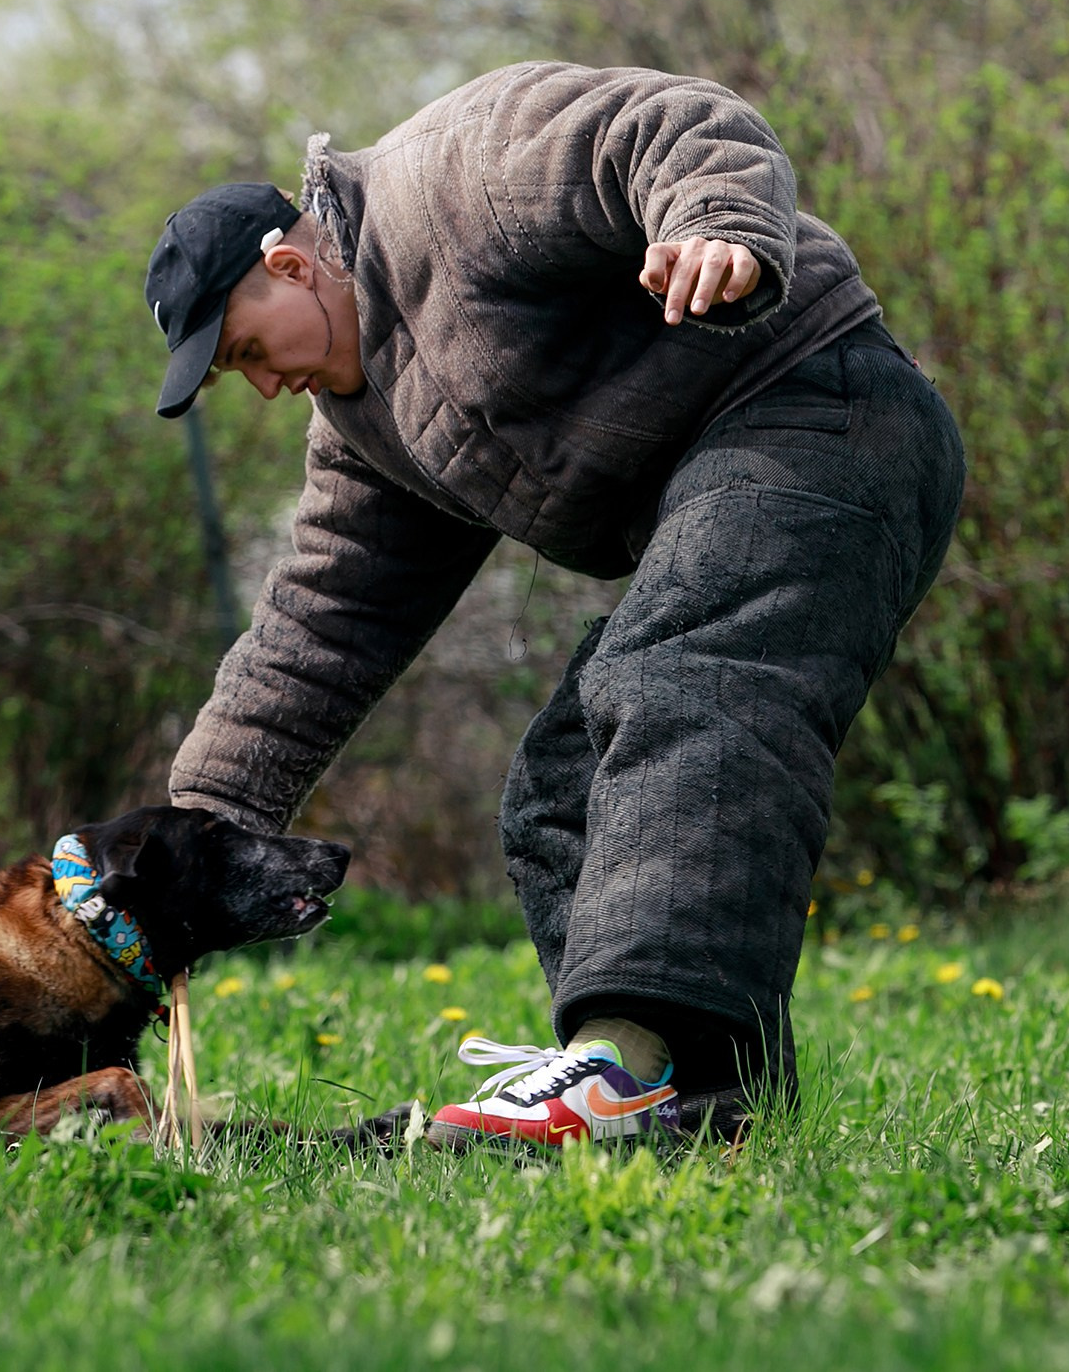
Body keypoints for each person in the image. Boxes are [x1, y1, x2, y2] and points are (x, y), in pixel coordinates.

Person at [144, 62, 966, 1148]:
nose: (261, 384)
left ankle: (619, 1072)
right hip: (725, 485)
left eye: (248, 351)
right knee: (563, 778)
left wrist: (713, 220)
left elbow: (662, 121)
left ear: (291, 266)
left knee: (680, 683)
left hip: (825, 406)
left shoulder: (453, 177)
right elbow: (313, 635)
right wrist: (193, 835)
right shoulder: (366, 433)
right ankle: (693, 1108)